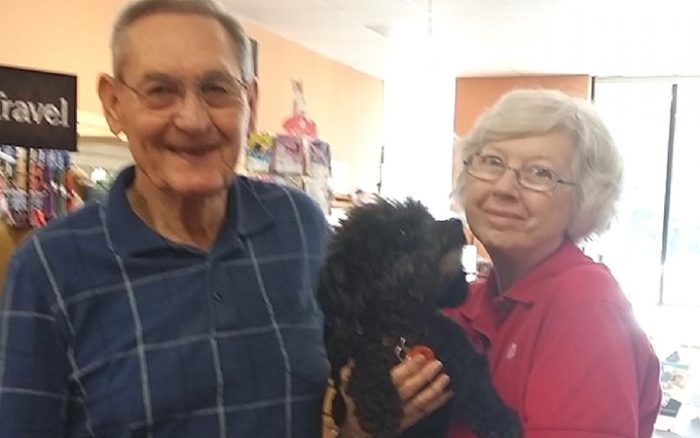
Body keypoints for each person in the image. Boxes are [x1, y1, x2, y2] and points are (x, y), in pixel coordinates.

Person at [0, 1, 446, 436]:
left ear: (249, 101)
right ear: (114, 103)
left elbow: (342, 388)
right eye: (160, 90)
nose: (193, 120)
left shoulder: (300, 228)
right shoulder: (50, 268)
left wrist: (357, 428)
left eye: (216, 89)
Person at [446, 88, 661, 437]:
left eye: (540, 173)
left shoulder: (585, 306)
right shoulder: (468, 301)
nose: (504, 188)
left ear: (585, 198)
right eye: (492, 161)